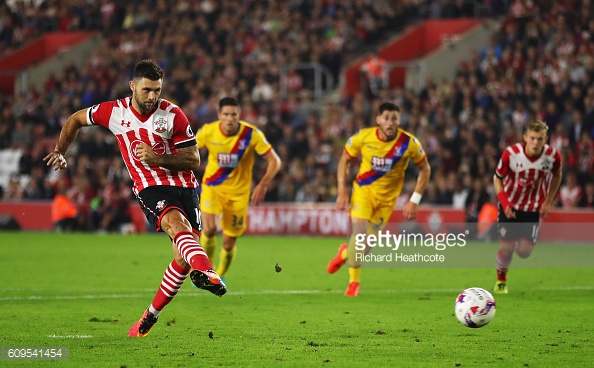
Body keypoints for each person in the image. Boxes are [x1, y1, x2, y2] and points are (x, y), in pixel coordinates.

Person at [44, 59, 226, 338]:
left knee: (182, 259)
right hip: (150, 187)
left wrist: (157, 157)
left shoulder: (173, 114)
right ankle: (209, 272)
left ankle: (149, 317)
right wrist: (60, 150)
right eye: (146, 90)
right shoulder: (113, 112)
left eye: (157, 90)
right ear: (133, 86)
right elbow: (76, 119)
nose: (153, 96)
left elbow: (193, 159)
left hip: (186, 188)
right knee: (179, 228)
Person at [327, 102, 431, 297]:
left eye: (394, 118)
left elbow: (425, 169)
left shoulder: (409, 144)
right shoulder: (363, 137)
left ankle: (343, 254)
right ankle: (353, 284)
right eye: (386, 118)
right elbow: (344, 159)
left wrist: (414, 200)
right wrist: (342, 190)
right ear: (378, 120)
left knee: (364, 248)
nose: (390, 122)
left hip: (387, 202)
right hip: (363, 193)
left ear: (399, 120)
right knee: (358, 238)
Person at [197, 97, 281, 283]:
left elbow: (275, 160)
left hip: (238, 195)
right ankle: (206, 271)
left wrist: (263, 183)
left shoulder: (251, 135)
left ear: (239, 115)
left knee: (228, 242)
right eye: (225, 114)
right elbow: (190, 149)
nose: (229, 118)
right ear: (219, 115)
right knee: (209, 229)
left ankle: (221, 275)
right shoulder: (208, 132)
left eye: (233, 114)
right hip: (213, 188)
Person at [493, 120, 562, 294]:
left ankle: (514, 242)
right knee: (506, 249)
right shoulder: (511, 154)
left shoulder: (552, 157)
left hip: (532, 208)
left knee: (524, 253)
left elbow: (557, 175)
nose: (536, 143)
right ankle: (501, 280)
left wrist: (548, 201)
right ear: (525, 137)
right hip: (510, 205)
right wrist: (505, 202)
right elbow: (497, 178)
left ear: (545, 139)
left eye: (540, 139)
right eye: (532, 138)